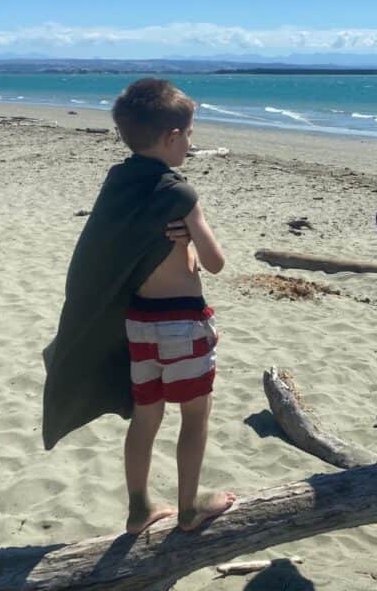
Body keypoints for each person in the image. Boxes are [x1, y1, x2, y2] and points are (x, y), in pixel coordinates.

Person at [42, 77, 235, 535]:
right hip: (183, 325)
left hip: (140, 325)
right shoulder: (180, 192)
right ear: (172, 138)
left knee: (146, 419)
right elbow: (216, 263)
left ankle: (139, 508)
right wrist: (192, 232)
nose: (191, 142)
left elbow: (108, 247)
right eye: (189, 134)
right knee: (195, 416)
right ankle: (189, 509)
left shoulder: (119, 182)